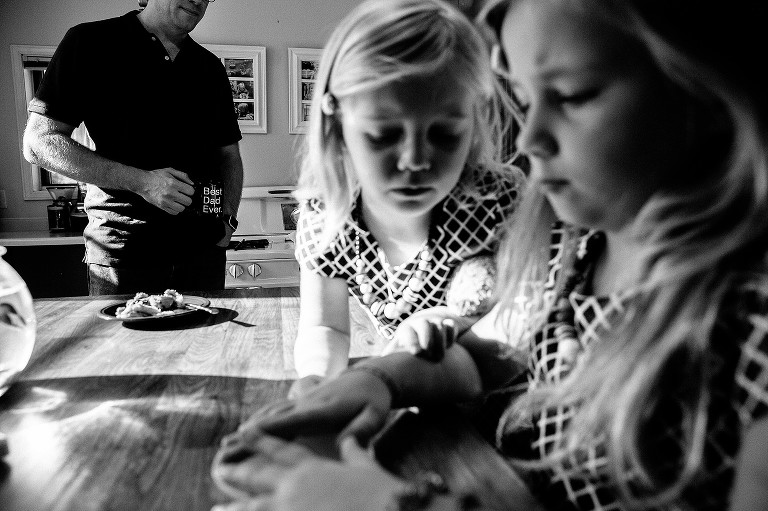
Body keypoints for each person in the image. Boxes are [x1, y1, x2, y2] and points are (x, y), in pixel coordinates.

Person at [209, 0, 768, 509]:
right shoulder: (574, 251)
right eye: (525, 100)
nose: (528, 140)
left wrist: (379, 504)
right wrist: (381, 380)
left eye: (570, 95)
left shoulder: (751, 327)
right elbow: (481, 357)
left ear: (707, 89)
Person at [290, 0, 524, 395]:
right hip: (408, 394)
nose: (415, 160)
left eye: (444, 134)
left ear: (474, 117)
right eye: (384, 134)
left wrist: (456, 321)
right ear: (336, 121)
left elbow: (526, 310)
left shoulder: (499, 203)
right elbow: (324, 327)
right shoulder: (326, 218)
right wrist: (316, 380)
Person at [23, 0, 244, 295]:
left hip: (204, 258)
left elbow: (229, 156)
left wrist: (227, 222)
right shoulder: (90, 42)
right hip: (125, 258)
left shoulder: (209, 67)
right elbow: (39, 142)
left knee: (208, 342)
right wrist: (143, 182)